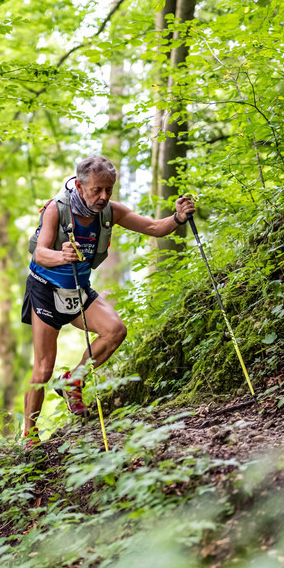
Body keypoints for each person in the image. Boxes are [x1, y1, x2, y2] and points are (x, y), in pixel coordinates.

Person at [22, 154, 195, 442]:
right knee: (43, 366)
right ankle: (29, 436)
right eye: (97, 190)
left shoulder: (109, 212)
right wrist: (60, 255)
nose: (103, 196)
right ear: (79, 186)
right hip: (46, 289)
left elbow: (152, 227)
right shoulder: (56, 209)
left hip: (78, 289)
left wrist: (178, 217)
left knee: (115, 331)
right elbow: (39, 253)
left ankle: (73, 380)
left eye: (108, 190)